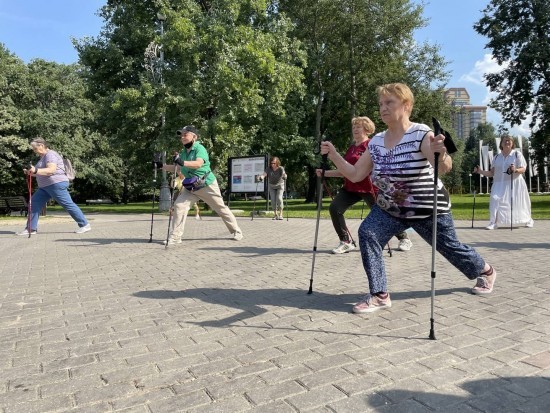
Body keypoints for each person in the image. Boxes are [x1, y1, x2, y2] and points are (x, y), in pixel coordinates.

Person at [320, 83, 497, 314]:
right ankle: (379, 294)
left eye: (389, 103)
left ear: (406, 106)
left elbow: (444, 168)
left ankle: (486, 271)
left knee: (450, 248)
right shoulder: (375, 142)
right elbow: (355, 174)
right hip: (391, 208)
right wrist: (333, 154)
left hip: (428, 208)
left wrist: (440, 152)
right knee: (368, 233)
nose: (383, 108)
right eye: (381, 104)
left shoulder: (420, 133)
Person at [317, 116, 413, 254]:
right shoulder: (351, 149)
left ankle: (404, 238)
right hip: (351, 187)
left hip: (369, 187)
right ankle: (346, 241)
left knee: (385, 213)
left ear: (367, 129)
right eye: (354, 126)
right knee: (335, 208)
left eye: (359, 126)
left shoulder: (371, 145)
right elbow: (345, 170)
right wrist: (325, 173)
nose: (355, 129)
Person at [163, 126, 243, 245]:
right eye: (181, 135)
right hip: (191, 186)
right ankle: (175, 237)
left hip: (206, 184)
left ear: (194, 136)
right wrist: (161, 166)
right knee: (179, 206)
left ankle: (236, 231)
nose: (182, 137)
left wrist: (182, 162)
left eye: (185, 134)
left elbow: (198, 164)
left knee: (220, 208)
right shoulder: (183, 153)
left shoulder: (200, 148)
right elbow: (179, 167)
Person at [16, 137, 91, 235]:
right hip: (45, 187)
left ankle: (85, 225)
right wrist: (30, 172)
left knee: (67, 204)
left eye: (35, 148)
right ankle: (31, 229)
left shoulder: (50, 155)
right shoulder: (42, 158)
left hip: (56, 184)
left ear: (41, 145)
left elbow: (51, 170)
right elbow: (40, 172)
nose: (34, 151)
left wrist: (36, 170)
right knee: (33, 203)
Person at [473, 135, 533, 229]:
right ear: (501, 143)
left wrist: (515, 170)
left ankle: (528, 219)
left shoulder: (517, 154)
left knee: (519, 203)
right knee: (495, 200)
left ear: (512, 143)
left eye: (509, 141)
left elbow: (523, 169)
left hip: (514, 183)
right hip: (498, 184)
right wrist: (480, 171)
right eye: (505, 141)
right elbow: (492, 173)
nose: (507, 142)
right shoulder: (496, 157)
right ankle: (493, 222)